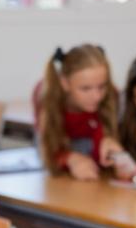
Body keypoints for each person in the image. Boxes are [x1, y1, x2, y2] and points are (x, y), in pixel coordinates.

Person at [36, 44, 125, 180]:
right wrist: (68, 158)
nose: (97, 96)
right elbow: (47, 153)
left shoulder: (112, 97)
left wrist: (113, 151)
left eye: (102, 86)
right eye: (85, 89)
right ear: (65, 83)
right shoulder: (46, 99)